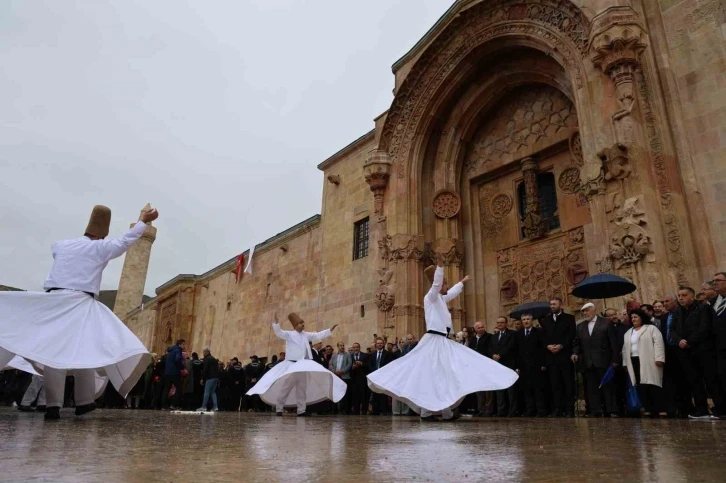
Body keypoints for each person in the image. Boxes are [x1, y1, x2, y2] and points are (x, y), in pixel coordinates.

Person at [0, 205, 157, 420]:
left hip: (54, 301)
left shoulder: (62, 245)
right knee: (83, 348)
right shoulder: (99, 248)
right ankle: (81, 402)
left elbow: (55, 250)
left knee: (55, 351)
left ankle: (57, 405)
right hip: (80, 303)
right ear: (103, 233)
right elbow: (124, 242)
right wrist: (142, 220)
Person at [367, 251, 518, 421]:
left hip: (442, 341)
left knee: (443, 375)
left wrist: (461, 283)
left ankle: (446, 412)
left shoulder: (440, 299)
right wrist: (440, 267)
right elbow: (437, 284)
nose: (446, 288)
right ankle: (427, 412)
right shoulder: (430, 297)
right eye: (445, 285)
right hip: (434, 340)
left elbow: (451, 293)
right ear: (439, 286)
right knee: (432, 375)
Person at [246, 313, 346, 417]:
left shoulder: (306, 335)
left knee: (302, 389)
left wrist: (330, 330)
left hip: (302, 366)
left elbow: (317, 335)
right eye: (300, 323)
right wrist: (276, 323)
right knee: (286, 388)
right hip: (292, 366)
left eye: (303, 323)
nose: (303, 324)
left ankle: (301, 410)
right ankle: (279, 409)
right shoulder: (289, 334)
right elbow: (279, 333)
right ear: (295, 326)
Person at [671, 286, 720, 418]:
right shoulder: (677, 311)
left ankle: (720, 409)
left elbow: (704, 328)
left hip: (703, 350)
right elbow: (672, 330)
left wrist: (688, 341)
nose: (681, 298)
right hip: (686, 352)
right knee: (695, 381)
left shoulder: (704, 308)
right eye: (679, 295)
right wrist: (679, 340)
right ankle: (701, 410)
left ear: (692, 296)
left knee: (711, 380)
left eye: (684, 295)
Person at [572, 303, 619, 417]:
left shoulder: (606, 323)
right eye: (583, 311)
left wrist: (615, 360)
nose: (585, 313)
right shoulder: (580, 326)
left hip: (604, 361)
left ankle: (611, 410)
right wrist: (575, 353)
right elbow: (577, 343)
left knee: (607, 387)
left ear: (594, 310)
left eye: (587, 310)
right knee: (592, 388)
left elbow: (613, 343)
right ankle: (595, 410)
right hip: (588, 361)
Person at [622, 309, 665, 417]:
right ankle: (648, 408)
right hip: (634, 361)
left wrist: (659, 358)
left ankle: (660, 408)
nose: (633, 319)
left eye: (635, 317)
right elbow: (624, 349)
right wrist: (625, 363)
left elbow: (658, 343)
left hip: (649, 360)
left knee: (653, 384)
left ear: (641, 317)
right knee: (640, 385)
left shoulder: (651, 329)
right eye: (632, 318)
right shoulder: (628, 332)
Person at [541, 297, 576, 417]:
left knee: (568, 383)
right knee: (555, 384)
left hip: (565, 356)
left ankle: (569, 409)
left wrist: (562, 345)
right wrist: (548, 346)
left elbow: (571, 335)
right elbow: (543, 337)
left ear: (560, 305)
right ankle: (557, 409)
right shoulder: (545, 320)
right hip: (551, 357)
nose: (552, 306)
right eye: (551, 304)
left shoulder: (569, 318)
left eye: (554, 304)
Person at [516, 314, 548, 417]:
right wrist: (518, 366)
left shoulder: (539, 332)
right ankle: (530, 410)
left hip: (537, 365)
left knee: (538, 389)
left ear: (532, 320)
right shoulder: (519, 334)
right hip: (524, 366)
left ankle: (541, 411)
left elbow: (543, 348)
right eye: (524, 319)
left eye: (528, 319)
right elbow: (517, 351)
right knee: (527, 389)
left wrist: (543, 363)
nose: (526, 321)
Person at [490, 316, 518, 417]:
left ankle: (512, 411)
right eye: (498, 322)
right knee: (500, 389)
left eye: (502, 322)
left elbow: (511, 346)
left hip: (509, 364)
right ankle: (501, 410)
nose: (499, 324)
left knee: (511, 390)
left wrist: (500, 355)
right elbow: (491, 347)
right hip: (498, 365)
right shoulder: (494, 336)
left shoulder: (512, 334)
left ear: (506, 323)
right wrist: (493, 354)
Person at [468, 321, 493, 417]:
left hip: (486, 366)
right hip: (476, 367)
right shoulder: (473, 339)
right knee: (479, 390)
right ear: (475, 329)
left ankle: (488, 410)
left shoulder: (489, 337)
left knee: (488, 390)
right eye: (478, 327)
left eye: (482, 327)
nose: (481, 328)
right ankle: (480, 409)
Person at [710, 272, 726, 419]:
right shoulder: (713, 301)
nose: (714, 283)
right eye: (713, 281)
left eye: (718, 280)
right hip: (717, 347)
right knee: (720, 376)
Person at [369, 338, 394, 415]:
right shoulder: (372, 354)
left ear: (383, 344)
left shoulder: (388, 354)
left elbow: (389, 365)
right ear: (376, 345)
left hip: (383, 376)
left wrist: (382, 372)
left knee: (383, 394)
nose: (379, 344)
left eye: (381, 343)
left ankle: (383, 410)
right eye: (378, 343)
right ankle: (375, 410)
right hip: (375, 376)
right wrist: (374, 372)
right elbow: (370, 365)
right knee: (375, 393)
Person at [329, 342, 352, 414]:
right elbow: (330, 364)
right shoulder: (334, 355)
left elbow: (349, 364)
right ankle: (334, 410)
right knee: (335, 393)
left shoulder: (347, 354)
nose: (342, 347)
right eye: (340, 346)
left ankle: (345, 410)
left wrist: (342, 371)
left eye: (343, 345)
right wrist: (334, 371)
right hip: (336, 376)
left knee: (345, 394)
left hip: (344, 376)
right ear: (337, 347)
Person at [161, 339, 185, 410]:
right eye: (183, 344)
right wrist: (182, 367)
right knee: (179, 388)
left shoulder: (170, 351)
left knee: (167, 388)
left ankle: (164, 405)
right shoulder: (178, 350)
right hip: (175, 372)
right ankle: (174, 405)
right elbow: (178, 359)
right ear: (179, 344)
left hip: (167, 372)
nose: (184, 346)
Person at [349, 343, 369, 415]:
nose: (356, 349)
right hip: (353, 379)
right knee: (355, 395)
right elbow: (348, 366)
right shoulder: (350, 356)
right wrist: (352, 367)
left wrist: (361, 364)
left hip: (363, 378)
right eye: (354, 347)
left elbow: (368, 365)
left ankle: (364, 410)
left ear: (359, 347)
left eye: (357, 347)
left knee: (364, 395)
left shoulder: (365, 355)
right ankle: (356, 410)